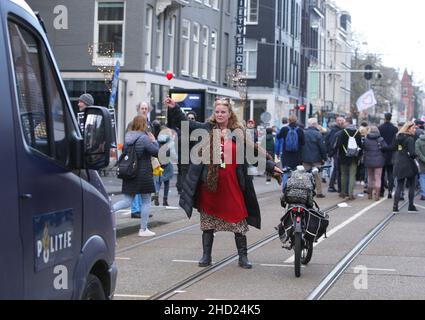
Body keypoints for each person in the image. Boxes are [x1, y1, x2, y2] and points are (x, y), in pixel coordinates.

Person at [165, 96, 282, 269]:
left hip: (232, 185)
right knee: (207, 223)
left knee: (238, 221)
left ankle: (243, 257)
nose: (219, 114)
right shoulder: (205, 128)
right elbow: (185, 124)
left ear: (229, 114)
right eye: (217, 112)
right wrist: (174, 107)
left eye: (223, 112)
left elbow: (253, 154)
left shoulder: (238, 132)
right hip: (210, 186)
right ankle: (206, 256)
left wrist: (271, 167)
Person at [112, 115, 159, 236]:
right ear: (143, 125)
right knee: (146, 200)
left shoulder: (128, 138)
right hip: (143, 174)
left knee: (127, 200)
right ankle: (143, 229)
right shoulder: (144, 138)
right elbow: (155, 151)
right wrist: (154, 141)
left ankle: (109, 210)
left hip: (129, 173)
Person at [130, 102, 154, 218]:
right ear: (138, 110)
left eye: (146, 108)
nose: (144, 110)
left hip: (146, 160)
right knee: (136, 187)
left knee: (143, 188)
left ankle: (141, 210)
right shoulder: (133, 124)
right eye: (142, 108)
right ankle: (135, 209)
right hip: (136, 159)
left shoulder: (149, 124)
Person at [393, 122, 418, 213]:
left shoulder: (398, 137)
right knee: (411, 185)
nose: (414, 130)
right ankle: (411, 206)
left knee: (399, 185)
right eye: (413, 128)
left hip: (399, 162)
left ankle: (395, 206)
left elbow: (394, 148)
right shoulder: (410, 139)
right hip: (409, 164)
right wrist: (416, 155)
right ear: (408, 129)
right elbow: (412, 153)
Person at [335, 118, 362, 200]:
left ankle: (343, 192)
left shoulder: (343, 132)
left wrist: (339, 153)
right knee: (352, 175)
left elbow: (338, 144)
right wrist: (359, 156)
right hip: (354, 156)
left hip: (343, 156)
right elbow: (360, 145)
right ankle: (351, 193)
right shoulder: (358, 132)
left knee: (343, 174)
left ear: (347, 123)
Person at [276, 114, 305, 191]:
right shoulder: (300, 130)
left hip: (286, 155)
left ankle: (285, 189)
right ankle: (296, 189)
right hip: (297, 156)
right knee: (297, 172)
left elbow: (278, 137)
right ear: (296, 120)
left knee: (286, 172)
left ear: (288, 120)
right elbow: (303, 143)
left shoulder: (284, 129)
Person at [302, 118, 327, 198]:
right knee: (317, 176)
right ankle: (319, 192)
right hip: (316, 158)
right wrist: (324, 157)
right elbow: (322, 147)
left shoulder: (303, 133)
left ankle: (305, 192)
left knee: (305, 175)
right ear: (314, 124)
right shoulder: (318, 134)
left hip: (305, 158)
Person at [153, 127, 177, 207]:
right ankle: (165, 200)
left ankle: (156, 193)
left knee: (158, 182)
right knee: (167, 183)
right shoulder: (169, 142)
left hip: (159, 164)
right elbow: (172, 154)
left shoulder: (157, 142)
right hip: (167, 164)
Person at [363, 126, 389, 201]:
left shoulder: (366, 139)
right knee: (378, 178)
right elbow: (385, 148)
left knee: (370, 177)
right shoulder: (381, 139)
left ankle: (370, 195)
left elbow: (363, 148)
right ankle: (377, 196)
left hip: (368, 161)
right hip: (379, 161)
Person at [379, 113, 399, 199]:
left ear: (384, 118)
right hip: (391, 153)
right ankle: (390, 191)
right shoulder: (395, 129)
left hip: (382, 153)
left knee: (381, 173)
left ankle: (381, 191)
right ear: (391, 118)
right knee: (391, 173)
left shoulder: (380, 128)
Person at [326, 117, 345, 193]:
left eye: (342, 121)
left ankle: (332, 185)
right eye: (339, 121)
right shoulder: (335, 130)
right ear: (337, 122)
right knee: (337, 169)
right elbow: (331, 142)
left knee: (336, 169)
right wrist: (331, 152)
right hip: (336, 152)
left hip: (336, 152)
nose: (340, 122)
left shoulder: (337, 130)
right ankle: (334, 186)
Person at [415, 132, 425, 201]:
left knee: (422, 177)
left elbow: (417, 151)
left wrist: (423, 159)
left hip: (421, 162)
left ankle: (423, 194)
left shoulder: (418, 141)